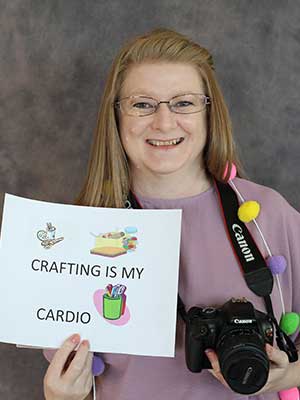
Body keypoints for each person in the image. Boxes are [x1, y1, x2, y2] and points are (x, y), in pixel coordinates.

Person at [43, 28, 300, 400]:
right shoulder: (80, 233)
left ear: (210, 113)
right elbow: (76, 382)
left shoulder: (265, 215)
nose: (164, 123)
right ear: (116, 115)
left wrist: (289, 374)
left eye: (183, 103)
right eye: (142, 104)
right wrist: (60, 398)